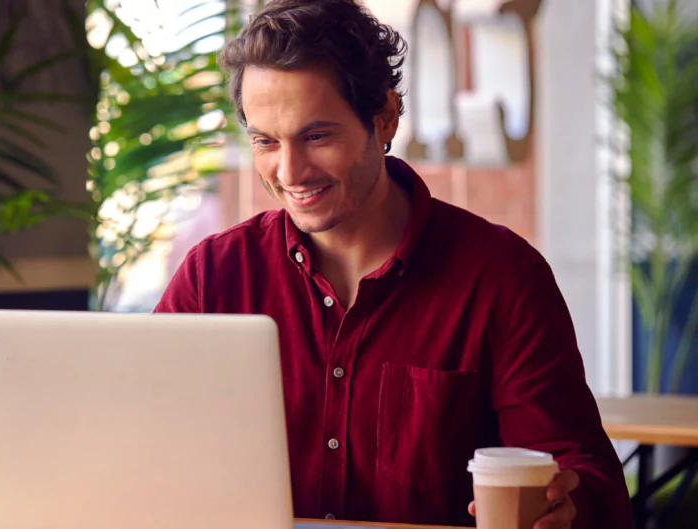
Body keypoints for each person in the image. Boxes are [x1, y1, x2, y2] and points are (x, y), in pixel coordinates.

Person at [153, 0, 632, 527]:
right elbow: (143, 441)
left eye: (316, 136)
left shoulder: (502, 277)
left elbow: (587, 475)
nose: (289, 171)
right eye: (266, 142)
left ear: (385, 117)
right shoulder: (212, 277)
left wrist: (570, 503)